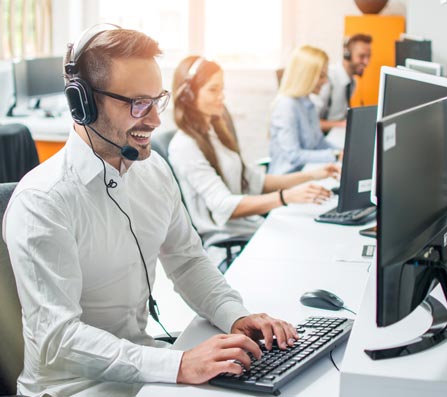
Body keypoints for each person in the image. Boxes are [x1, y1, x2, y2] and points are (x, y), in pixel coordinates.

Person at [2, 25, 301, 397]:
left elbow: (188, 260)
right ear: (83, 103)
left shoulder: (152, 170)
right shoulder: (43, 201)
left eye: (156, 100)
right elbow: (58, 338)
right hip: (73, 387)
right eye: (137, 104)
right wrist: (177, 365)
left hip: (144, 369)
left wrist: (234, 315)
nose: (156, 120)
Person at [169, 56, 341, 255]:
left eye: (222, 89)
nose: (222, 97)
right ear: (188, 95)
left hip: (249, 226)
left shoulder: (213, 132)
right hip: (228, 237)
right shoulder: (184, 146)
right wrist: (286, 197)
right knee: (309, 242)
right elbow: (223, 206)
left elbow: (254, 180)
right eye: (213, 89)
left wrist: (315, 174)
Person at [268, 45, 342, 175]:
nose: (325, 82)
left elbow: (319, 142)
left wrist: (342, 152)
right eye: (321, 76)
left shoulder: (308, 102)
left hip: (308, 171)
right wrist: (334, 155)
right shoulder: (286, 106)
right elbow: (294, 156)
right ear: (306, 76)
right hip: (287, 180)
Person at [315, 34, 372, 132]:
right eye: (362, 56)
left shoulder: (352, 82)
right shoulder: (327, 81)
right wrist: (342, 124)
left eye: (368, 57)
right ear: (347, 55)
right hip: (324, 136)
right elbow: (312, 123)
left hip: (338, 132)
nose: (366, 62)